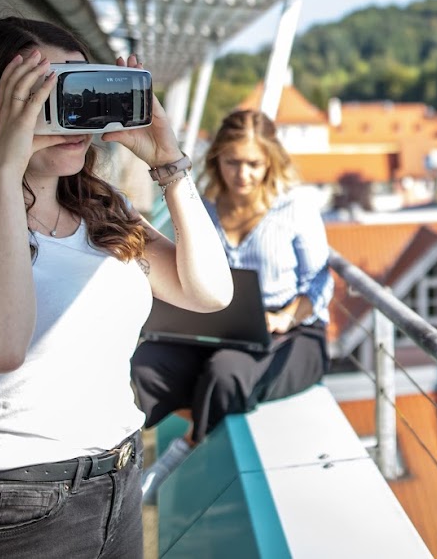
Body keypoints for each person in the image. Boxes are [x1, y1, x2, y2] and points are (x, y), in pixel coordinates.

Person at [0, 16, 233, 559]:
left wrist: (169, 164)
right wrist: (4, 164)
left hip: (119, 482)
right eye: (47, 95)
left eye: (81, 91)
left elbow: (209, 292)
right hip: (13, 511)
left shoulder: (98, 207)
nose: (75, 118)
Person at [131, 109, 333, 500]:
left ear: (271, 161)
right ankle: (115, 458)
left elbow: (321, 281)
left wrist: (287, 317)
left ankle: (183, 453)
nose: (244, 174)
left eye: (254, 164)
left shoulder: (295, 208)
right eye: (233, 162)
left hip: (291, 333)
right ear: (216, 160)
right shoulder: (202, 209)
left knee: (226, 373)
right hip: (213, 329)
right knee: (146, 365)